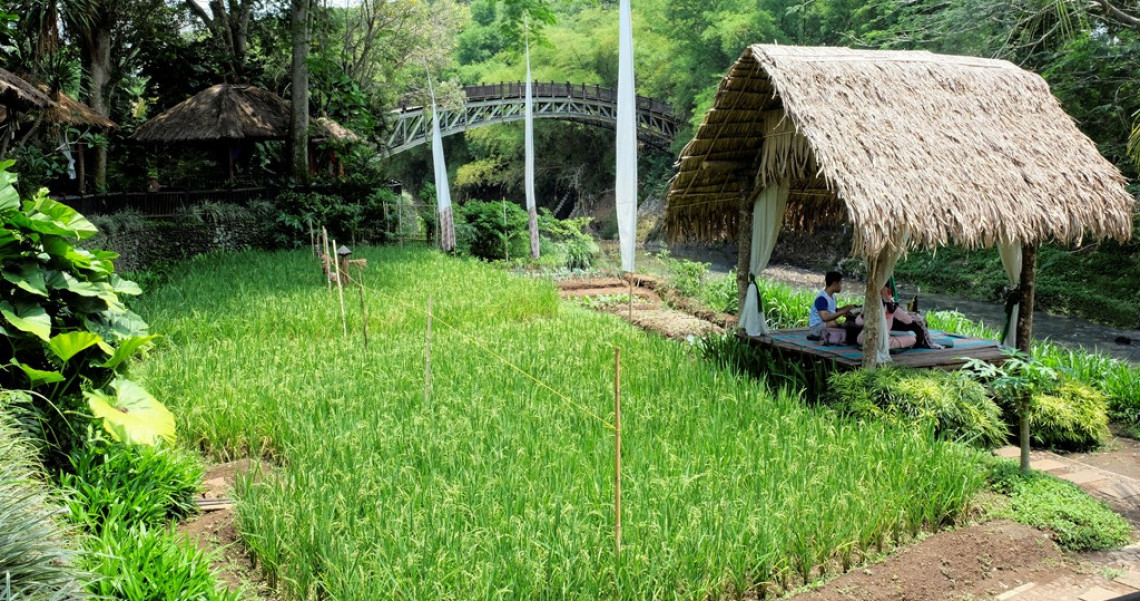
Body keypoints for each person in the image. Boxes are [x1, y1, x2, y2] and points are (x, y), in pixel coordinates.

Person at [808, 271, 858, 340]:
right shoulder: (822, 298)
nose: (841, 286)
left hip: (825, 325)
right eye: (840, 283)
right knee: (833, 324)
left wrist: (848, 308)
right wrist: (843, 311)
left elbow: (834, 310)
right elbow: (824, 317)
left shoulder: (833, 296)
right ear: (834, 284)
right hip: (816, 328)